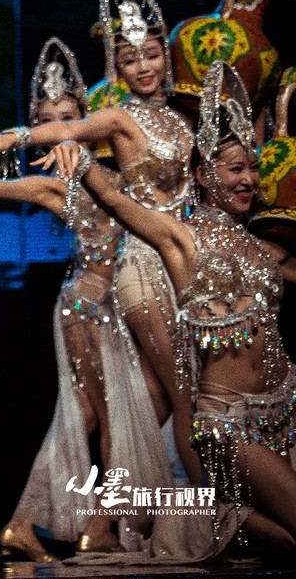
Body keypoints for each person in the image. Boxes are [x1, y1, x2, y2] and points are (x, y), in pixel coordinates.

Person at [0, 39, 170, 558]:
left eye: (68, 119)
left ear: (86, 122)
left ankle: (24, 522)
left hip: (107, 307)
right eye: (48, 121)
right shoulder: (61, 189)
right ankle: (101, 527)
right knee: (113, 415)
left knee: (81, 418)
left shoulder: (124, 175)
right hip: (90, 307)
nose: (60, 129)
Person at [0, 0, 199, 488]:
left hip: (182, 260)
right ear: (116, 68)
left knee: (149, 400)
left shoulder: (183, 122)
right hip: (133, 275)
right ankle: (194, 512)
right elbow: (65, 133)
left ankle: (121, 515)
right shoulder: (118, 121)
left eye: (151, 54)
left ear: (167, 55)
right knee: (164, 398)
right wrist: (16, 137)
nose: (144, 66)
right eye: (130, 59)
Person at [60, 62, 296, 561]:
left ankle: (219, 515)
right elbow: (114, 198)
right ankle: (194, 514)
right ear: (203, 175)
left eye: (253, 169)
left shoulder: (264, 249)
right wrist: (76, 155)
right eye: (235, 169)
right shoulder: (181, 240)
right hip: (228, 425)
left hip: (285, 415)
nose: (248, 180)